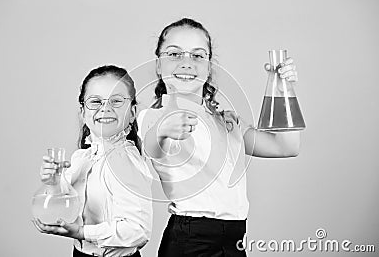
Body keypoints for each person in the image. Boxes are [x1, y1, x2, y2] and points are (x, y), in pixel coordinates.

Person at [137, 18, 300, 256]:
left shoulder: (226, 120)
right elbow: (152, 147)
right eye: (174, 54)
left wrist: (284, 89)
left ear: (209, 67)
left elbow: (286, 146)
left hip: (235, 241)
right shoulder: (153, 117)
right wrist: (163, 130)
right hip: (190, 242)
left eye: (198, 55)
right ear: (159, 65)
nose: (186, 63)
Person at [33, 65, 153, 257]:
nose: (105, 109)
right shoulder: (82, 157)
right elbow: (64, 214)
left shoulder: (125, 161)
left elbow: (138, 231)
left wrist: (82, 233)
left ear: (132, 112)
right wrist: (53, 183)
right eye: (95, 102)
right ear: (82, 112)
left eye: (116, 101)